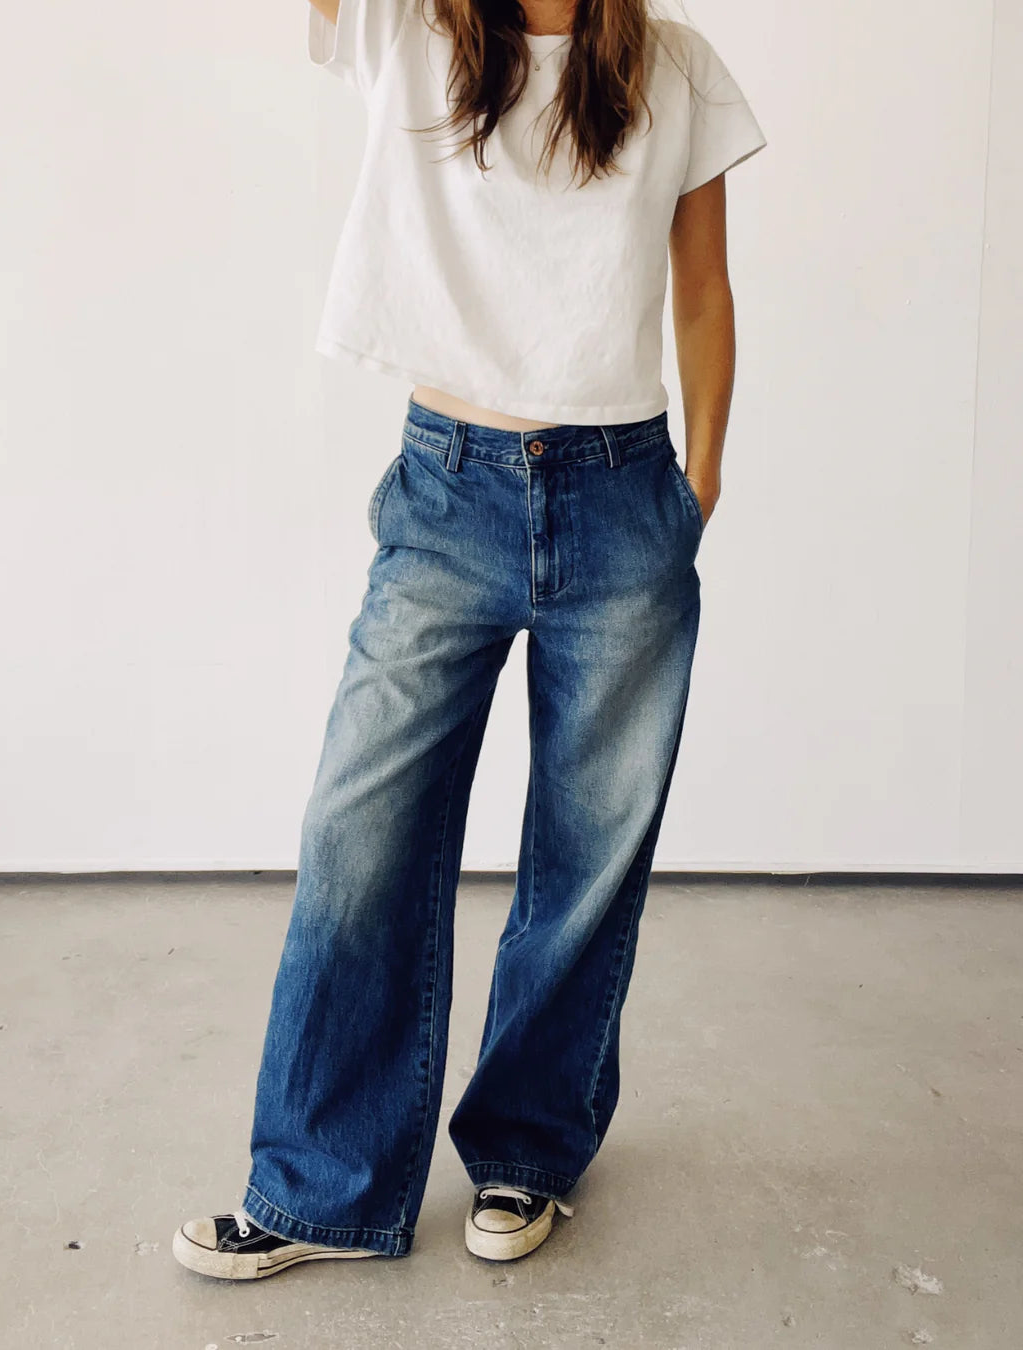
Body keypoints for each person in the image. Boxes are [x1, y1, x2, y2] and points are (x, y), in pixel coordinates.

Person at [173, 0, 766, 1280]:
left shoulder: (678, 68)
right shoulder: (408, 27)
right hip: (448, 495)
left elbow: (704, 291)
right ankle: (321, 1182)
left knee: (586, 858)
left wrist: (697, 491)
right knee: (359, 830)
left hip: (623, 503)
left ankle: (528, 1152)